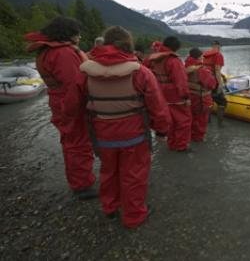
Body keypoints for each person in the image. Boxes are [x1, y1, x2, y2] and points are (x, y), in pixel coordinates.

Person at [64, 26, 171, 228]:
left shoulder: (85, 72)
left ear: (104, 43)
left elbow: (70, 106)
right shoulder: (142, 72)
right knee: (134, 175)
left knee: (108, 172)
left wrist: (72, 126)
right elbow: (158, 106)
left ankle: (110, 208)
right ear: (127, 44)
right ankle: (134, 216)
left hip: (102, 136)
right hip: (135, 136)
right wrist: (162, 130)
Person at [24, 16, 97, 199]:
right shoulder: (63, 53)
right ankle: (82, 186)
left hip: (58, 100)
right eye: (77, 34)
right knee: (78, 143)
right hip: (69, 103)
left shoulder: (46, 51)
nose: (79, 38)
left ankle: (79, 181)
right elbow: (75, 84)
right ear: (68, 34)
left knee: (71, 141)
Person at [146, 36, 192, 152]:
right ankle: (181, 147)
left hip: (160, 94)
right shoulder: (173, 60)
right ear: (175, 48)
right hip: (175, 97)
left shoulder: (152, 59)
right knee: (183, 121)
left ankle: (171, 144)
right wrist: (186, 96)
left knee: (169, 121)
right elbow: (181, 81)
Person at [185, 48, 217, 142]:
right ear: (199, 57)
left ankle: (190, 137)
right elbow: (212, 84)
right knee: (201, 121)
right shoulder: (201, 69)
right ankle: (198, 139)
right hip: (200, 100)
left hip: (189, 98)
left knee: (191, 119)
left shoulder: (184, 67)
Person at [203, 40, 226, 125]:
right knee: (222, 102)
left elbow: (207, 68)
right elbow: (216, 70)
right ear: (219, 46)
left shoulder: (205, 54)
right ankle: (220, 124)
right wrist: (220, 84)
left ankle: (207, 122)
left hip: (205, 81)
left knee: (209, 101)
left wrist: (222, 75)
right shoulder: (218, 55)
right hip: (213, 81)